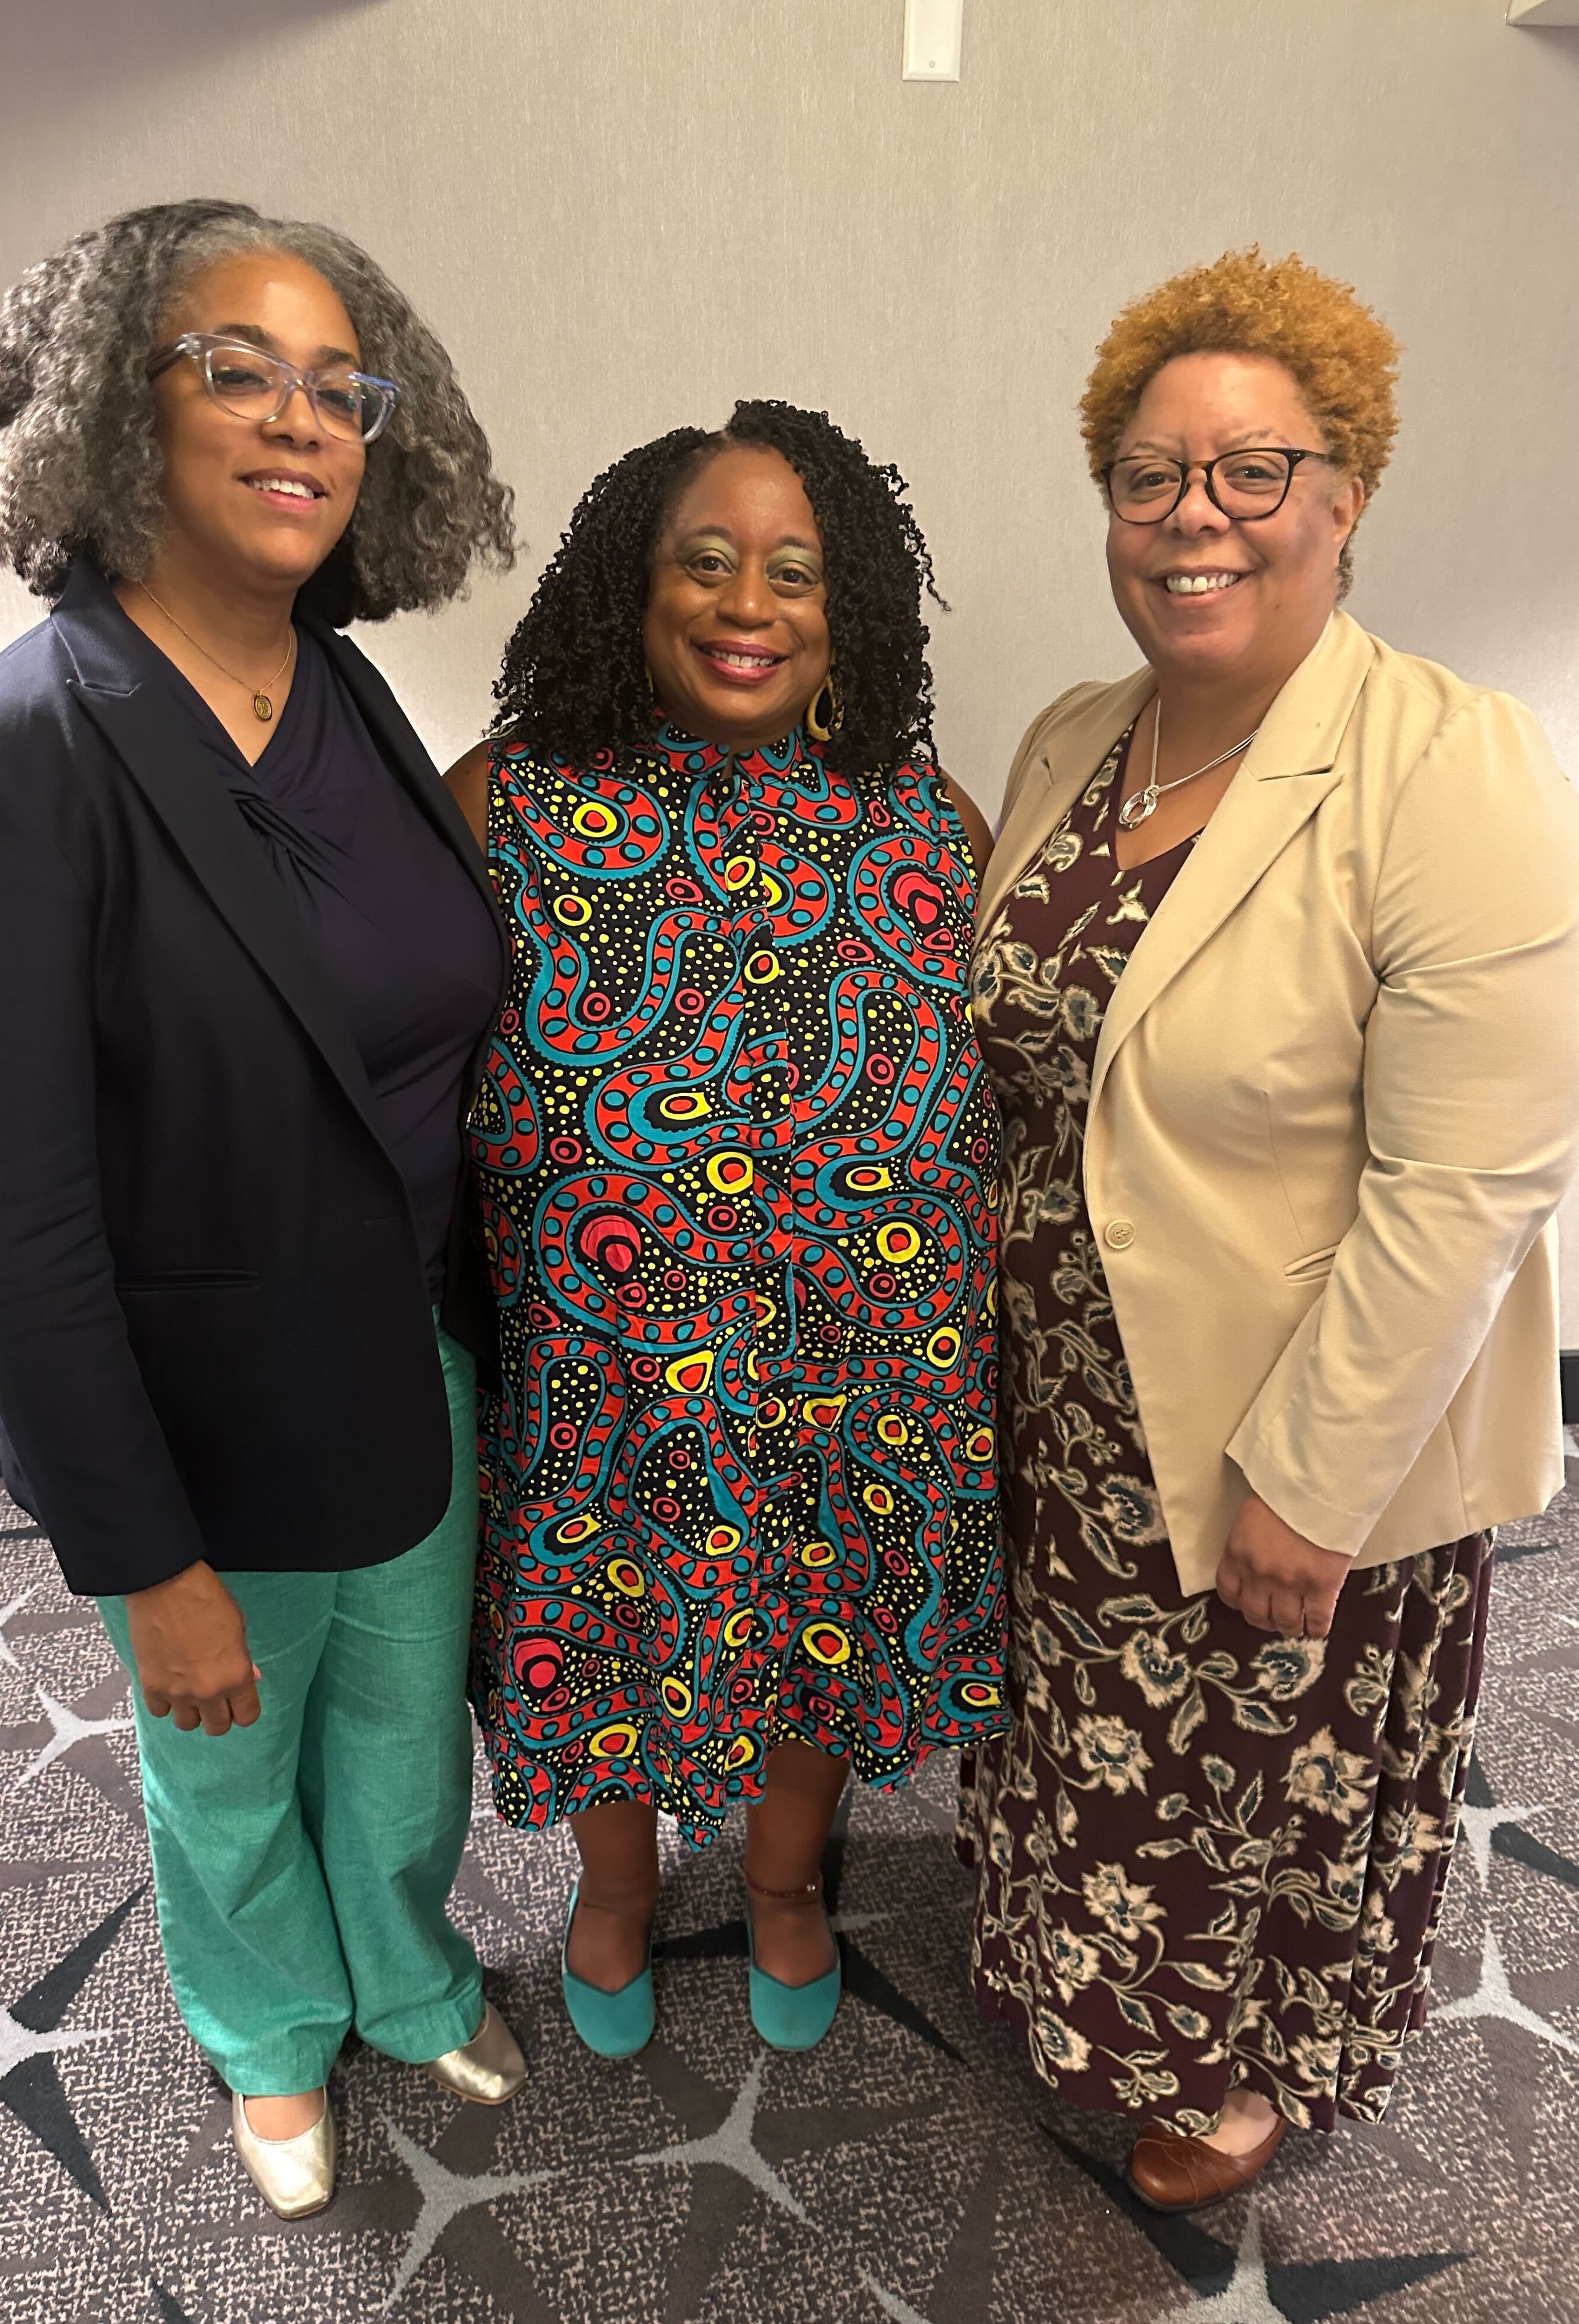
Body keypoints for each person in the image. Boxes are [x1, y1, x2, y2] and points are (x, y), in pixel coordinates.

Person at [0, 198, 523, 2219]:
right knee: (228, 1756)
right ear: (109, 409)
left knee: (410, 1735)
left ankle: (406, 1969)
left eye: (343, 386)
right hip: (205, 1409)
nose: (300, 421)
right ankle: (266, 2035)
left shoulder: (350, 697)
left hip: (419, 1354)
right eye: (235, 368)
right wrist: (140, 1556)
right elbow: (13, 1228)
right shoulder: (1, 758)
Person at [957, 246, 1579, 2209]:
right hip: (1070, 1397)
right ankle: (1083, 1983)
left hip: (1293, 1416)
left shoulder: (1446, 763)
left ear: (1347, 494)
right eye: (1150, 477)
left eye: (1254, 471)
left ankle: (1242, 2063)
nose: (1195, 519)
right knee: (1085, 1727)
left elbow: (1469, 1183)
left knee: (1255, 1774)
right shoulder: (1078, 736)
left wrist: (1316, 1485)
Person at [447, 400, 1010, 2060]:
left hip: (856, 1370)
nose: (747, 603)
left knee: (811, 1628)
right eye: (704, 561)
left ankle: (780, 1887)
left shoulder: (926, 820)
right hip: (607, 1364)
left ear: (852, 616)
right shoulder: (510, 809)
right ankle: (612, 1894)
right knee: (610, 1628)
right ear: (631, 588)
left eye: (794, 570)